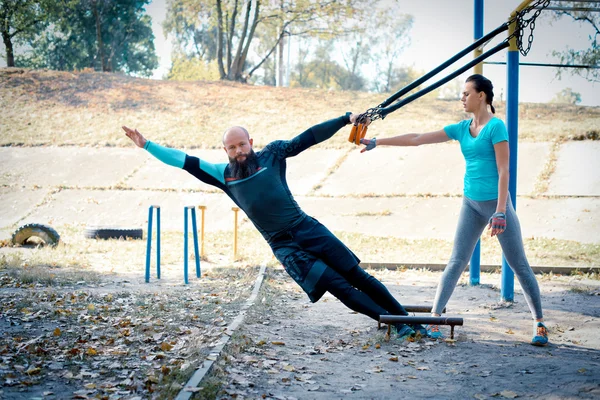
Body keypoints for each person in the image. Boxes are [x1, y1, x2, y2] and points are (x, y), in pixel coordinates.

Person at [123, 112, 424, 339]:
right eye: (232, 148)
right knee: (340, 287)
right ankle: (398, 327)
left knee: (358, 275)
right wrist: (146, 144)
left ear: (251, 143)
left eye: (242, 144)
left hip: (308, 229)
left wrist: (346, 119)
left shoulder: (274, 154)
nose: (239, 151)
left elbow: (308, 137)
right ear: (225, 150)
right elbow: (183, 160)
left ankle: (411, 322)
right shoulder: (222, 175)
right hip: (286, 247)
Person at [359, 74, 548, 346]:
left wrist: (500, 211)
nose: (462, 98)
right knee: (456, 261)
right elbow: (417, 138)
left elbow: (505, 169)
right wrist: (379, 141)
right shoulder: (462, 128)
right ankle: (435, 319)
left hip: (498, 207)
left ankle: (539, 323)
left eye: (466, 93)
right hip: (471, 204)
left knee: (518, 265)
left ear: (481, 95)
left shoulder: (496, 128)